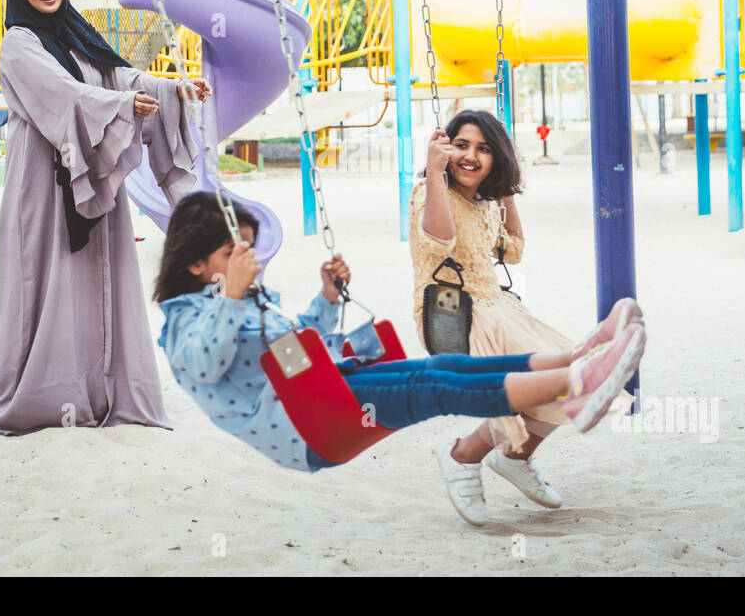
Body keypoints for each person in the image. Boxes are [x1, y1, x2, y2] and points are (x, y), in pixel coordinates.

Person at [154, 191, 646, 475]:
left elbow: (300, 351)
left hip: (318, 393)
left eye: (250, 249)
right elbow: (203, 361)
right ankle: (575, 387)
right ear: (196, 263)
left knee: (442, 367)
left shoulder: (252, 299)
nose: (249, 261)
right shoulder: (184, 320)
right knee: (431, 388)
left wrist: (326, 300)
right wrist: (233, 296)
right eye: (232, 253)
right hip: (305, 425)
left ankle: (572, 357)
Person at [0, 0, 209, 435]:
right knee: (43, 281)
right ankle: (41, 396)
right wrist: (123, 105)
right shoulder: (19, 43)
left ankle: (98, 390)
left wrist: (173, 90)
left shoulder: (75, 34)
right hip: (44, 182)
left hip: (94, 172)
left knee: (94, 278)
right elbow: (62, 96)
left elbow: (119, 75)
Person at [410, 109, 641, 526]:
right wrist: (433, 170)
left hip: (500, 309)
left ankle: (516, 456)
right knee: (532, 389)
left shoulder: (484, 203)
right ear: (445, 148)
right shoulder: (430, 192)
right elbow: (440, 239)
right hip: (455, 314)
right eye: (461, 145)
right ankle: (462, 455)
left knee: (578, 380)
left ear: (496, 158)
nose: (470, 156)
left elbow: (512, 251)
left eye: (483, 149)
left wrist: (506, 194)